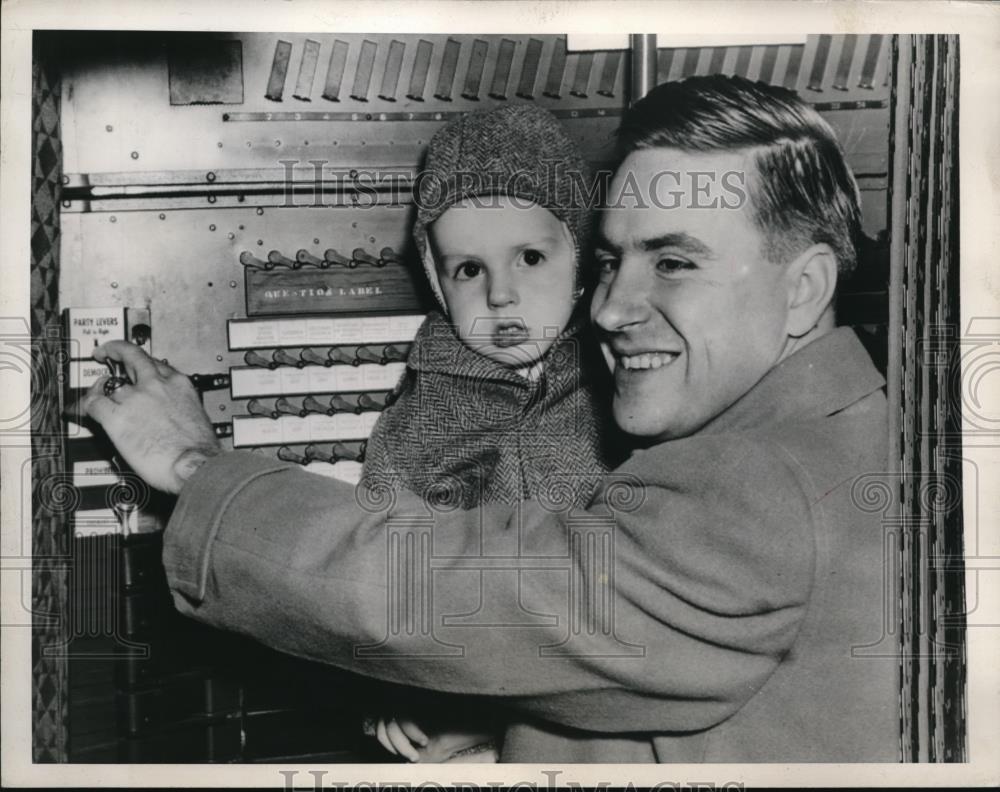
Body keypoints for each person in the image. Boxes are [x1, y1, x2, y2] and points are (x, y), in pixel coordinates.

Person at [82, 75, 900, 762]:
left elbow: (436, 591)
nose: (611, 309)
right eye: (613, 261)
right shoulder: (841, 427)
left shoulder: (765, 485)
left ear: (804, 288)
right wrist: (515, 748)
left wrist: (195, 467)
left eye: (675, 262)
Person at [359, 104, 616, 761]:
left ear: (582, 261)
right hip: (465, 694)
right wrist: (396, 693)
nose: (500, 295)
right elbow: (386, 578)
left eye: (530, 257)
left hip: (610, 695)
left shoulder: (625, 392)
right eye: (468, 270)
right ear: (439, 286)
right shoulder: (418, 416)